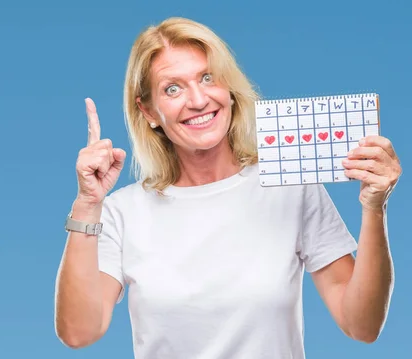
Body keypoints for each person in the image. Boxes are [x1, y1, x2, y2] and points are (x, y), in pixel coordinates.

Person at [54, 17, 402, 359]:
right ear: (149, 111)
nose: (198, 100)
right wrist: (86, 204)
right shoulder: (122, 212)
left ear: (230, 89)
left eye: (208, 77)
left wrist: (374, 208)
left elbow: (362, 326)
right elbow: (79, 332)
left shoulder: (290, 187)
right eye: (172, 88)